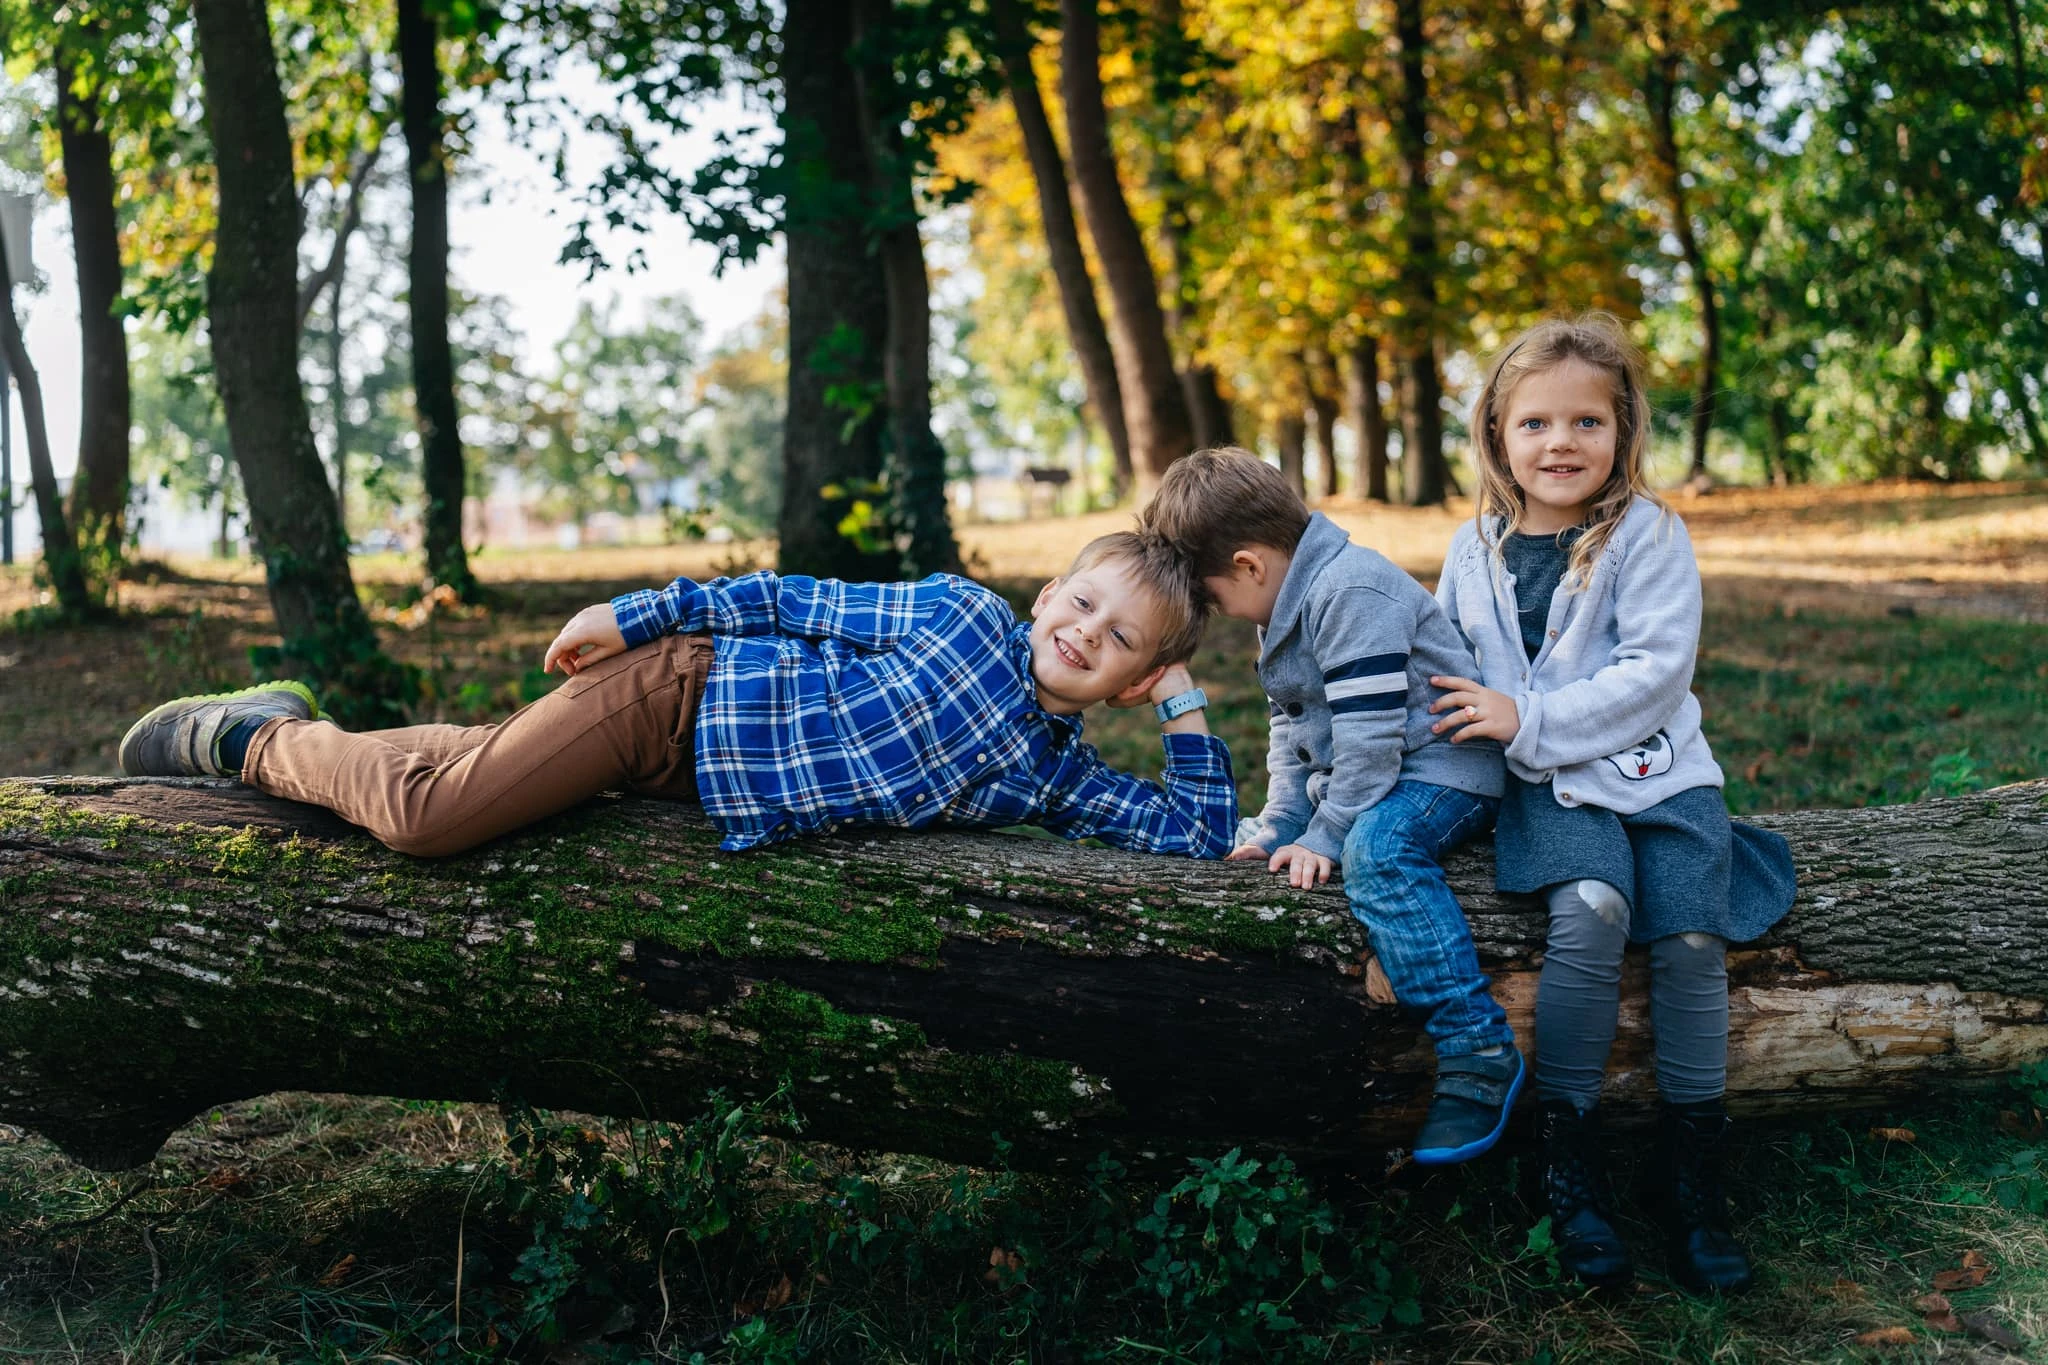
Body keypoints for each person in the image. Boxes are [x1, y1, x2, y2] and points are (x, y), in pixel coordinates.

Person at [118, 533, 1236, 862]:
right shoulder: (956, 616)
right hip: (680, 698)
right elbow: (792, 597)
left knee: (477, 757)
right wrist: (646, 614)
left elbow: (1193, 831)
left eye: (1119, 640)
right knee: (428, 817)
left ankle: (307, 730)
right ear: (1048, 592)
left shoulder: (1056, 774)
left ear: (1132, 681)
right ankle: (255, 736)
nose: (1080, 632)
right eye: (1078, 603)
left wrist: (1186, 706)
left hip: (689, 787)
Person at [1430, 314, 1795, 1295]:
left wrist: (1524, 713)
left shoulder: (1648, 535)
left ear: (1621, 428)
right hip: (1547, 784)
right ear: (1497, 433)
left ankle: (1692, 1176)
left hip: (1659, 772)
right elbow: (1446, 670)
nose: (1559, 443)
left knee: (1685, 942)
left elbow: (1651, 673)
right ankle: (1570, 1163)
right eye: (1534, 423)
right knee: (1588, 917)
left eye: (1584, 421)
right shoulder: (1472, 550)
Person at [1140, 448, 1519, 1165]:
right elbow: (1292, 729)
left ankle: (1477, 1045)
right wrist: (1283, 820)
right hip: (1386, 767)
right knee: (1303, 830)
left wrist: (1331, 831)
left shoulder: (1350, 591)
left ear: (1250, 565)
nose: (1215, 610)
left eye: (1212, 595)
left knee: (1376, 851)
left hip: (1446, 766)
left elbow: (1371, 741)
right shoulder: (1282, 604)